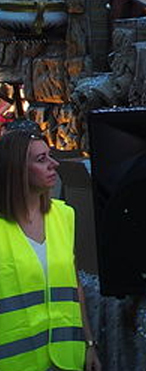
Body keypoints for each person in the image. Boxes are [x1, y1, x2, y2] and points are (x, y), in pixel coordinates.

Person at [0, 129, 101, 371]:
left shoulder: (64, 215)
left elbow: (75, 287)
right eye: (41, 159)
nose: (54, 164)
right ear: (16, 170)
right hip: (16, 362)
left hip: (67, 358)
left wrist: (89, 344)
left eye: (50, 156)